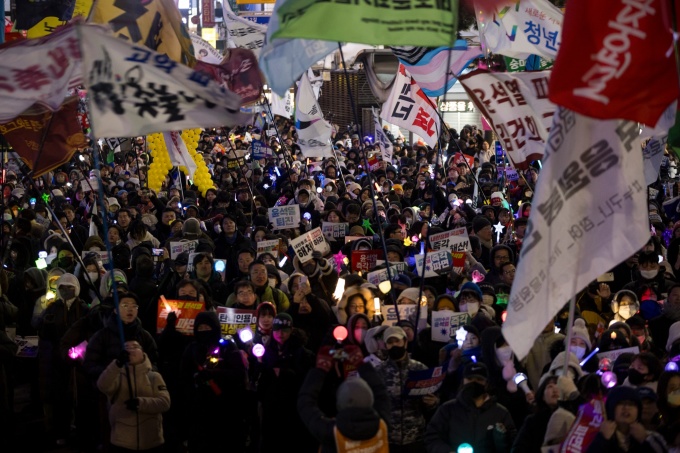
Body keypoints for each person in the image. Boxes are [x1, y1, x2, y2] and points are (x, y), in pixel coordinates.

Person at [426, 362, 517, 453]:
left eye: (479, 379)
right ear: (463, 381)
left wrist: (502, 439)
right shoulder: (447, 409)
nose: (473, 383)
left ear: (487, 383)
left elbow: (514, 444)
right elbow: (432, 438)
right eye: (469, 379)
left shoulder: (500, 413)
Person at [96, 340, 170, 453]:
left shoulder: (154, 377)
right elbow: (103, 385)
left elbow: (164, 403)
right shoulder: (117, 376)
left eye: (135, 347)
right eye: (127, 348)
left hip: (151, 441)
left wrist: (141, 403)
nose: (130, 350)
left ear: (143, 352)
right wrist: (117, 364)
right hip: (122, 442)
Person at [376, 325, 439, 452]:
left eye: (397, 341)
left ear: (405, 343)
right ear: (386, 345)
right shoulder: (378, 372)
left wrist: (433, 402)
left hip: (415, 438)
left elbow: (431, 401)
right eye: (390, 342)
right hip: (387, 438)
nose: (394, 345)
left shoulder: (420, 369)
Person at [298, 372, 389, 453]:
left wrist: (320, 370)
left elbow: (305, 403)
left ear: (339, 405)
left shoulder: (330, 433)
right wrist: (362, 365)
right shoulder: (383, 424)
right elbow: (382, 394)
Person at [586, 385, 668, 452]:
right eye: (621, 403)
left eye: (631, 404)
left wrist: (645, 440)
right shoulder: (597, 435)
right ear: (611, 408)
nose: (626, 407)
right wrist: (602, 439)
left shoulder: (651, 437)